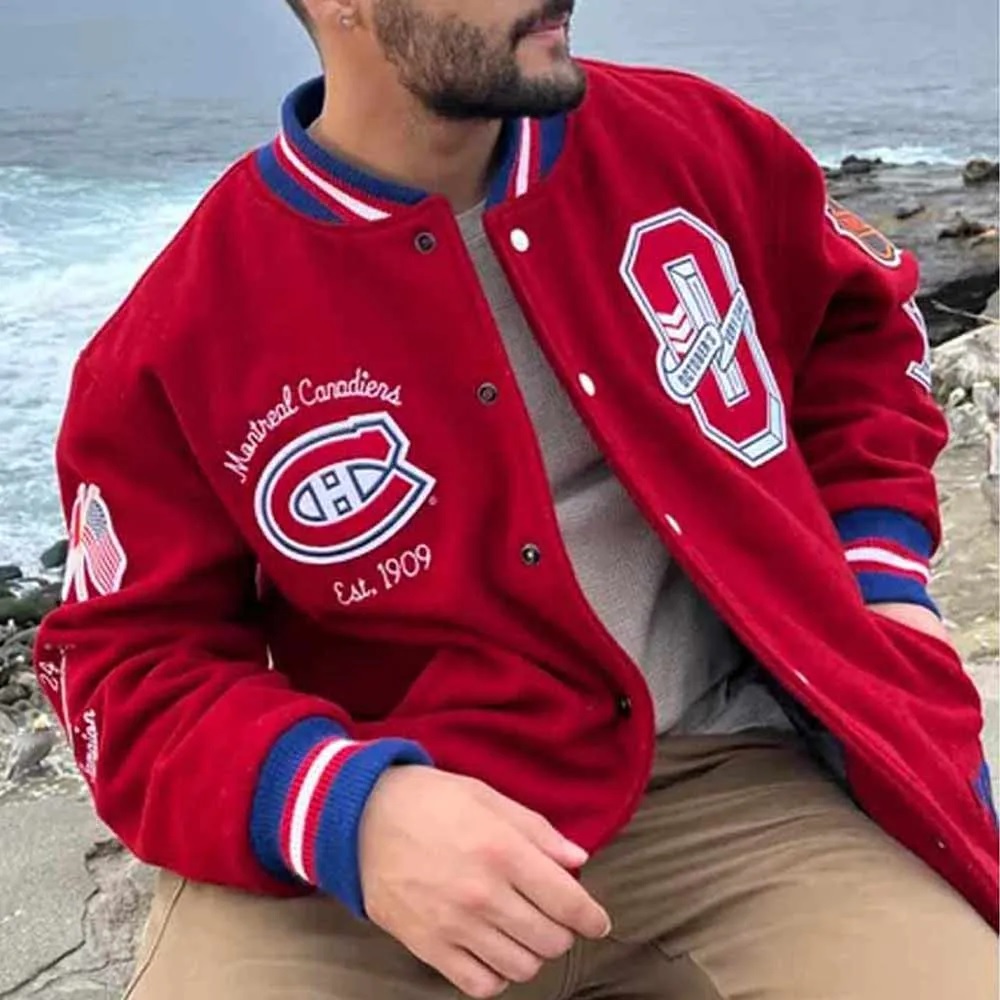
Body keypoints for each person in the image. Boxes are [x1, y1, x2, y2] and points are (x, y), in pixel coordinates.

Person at [34, 0, 999, 997]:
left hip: (733, 783)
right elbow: (124, 660)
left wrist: (880, 573)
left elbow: (859, 329)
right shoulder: (185, 324)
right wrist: (345, 809)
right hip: (373, 847)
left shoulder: (694, 142)